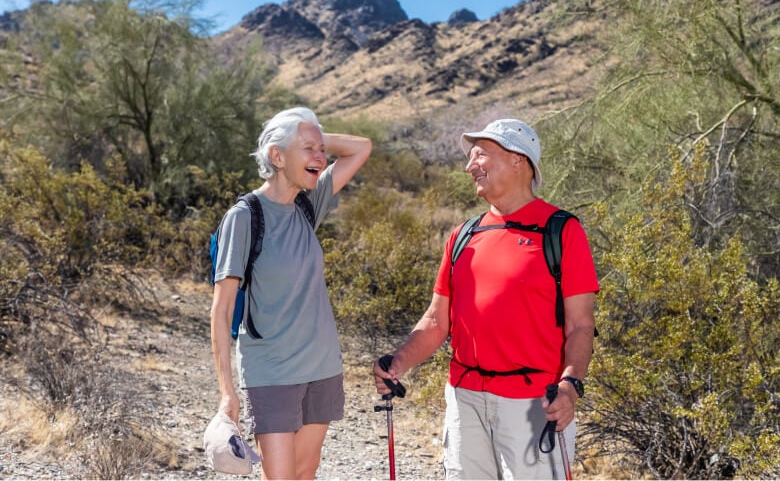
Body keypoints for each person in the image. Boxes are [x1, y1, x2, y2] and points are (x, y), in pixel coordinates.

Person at [373, 118, 598, 479]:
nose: (469, 165)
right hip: (465, 400)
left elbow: (580, 325)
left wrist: (570, 386)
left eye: (480, 155)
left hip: (533, 403)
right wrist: (398, 362)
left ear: (518, 159)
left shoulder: (562, 231)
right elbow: (436, 321)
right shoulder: (463, 236)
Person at [211, 107, 372, 480]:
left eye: (321, 150)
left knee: (306, 471)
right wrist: (227, 393)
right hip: (272, 370)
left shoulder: (307, 204)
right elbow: (221, 311)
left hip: (321, 365)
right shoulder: (245, 216)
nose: (321, 158)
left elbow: (361, 148)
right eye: (308, 150)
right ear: (277, 157)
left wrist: (311, 137)